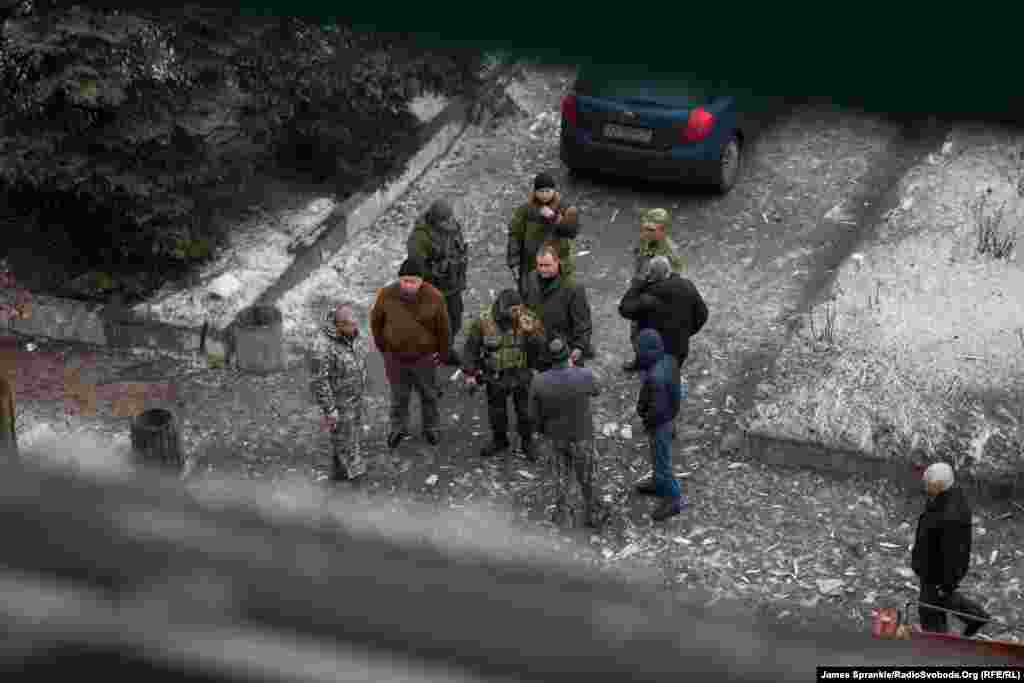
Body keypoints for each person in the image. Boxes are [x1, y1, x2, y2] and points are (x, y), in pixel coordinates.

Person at [370, 257, 451, 449]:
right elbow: (376, 323)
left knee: (428, 395)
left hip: (423, 358)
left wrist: (443, 352)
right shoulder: (386, 295)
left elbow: (444, 329)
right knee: (399, 396)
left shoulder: (435, 297)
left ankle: (431, 427)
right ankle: (398, 428)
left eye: (413, 281)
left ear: (421, 281)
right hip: (395, 358)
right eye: (404, 280)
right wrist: (385, 349)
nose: (408, 285)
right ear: (399, 279)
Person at [462, 289, 547, 459]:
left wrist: (531, 333)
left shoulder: (528, 318)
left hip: (521, 373)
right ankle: (500, 440)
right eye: (513, 310)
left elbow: (541, 346)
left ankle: (527, 441)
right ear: (502, 308)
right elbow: (471, 349)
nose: (518, 313)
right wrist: (470, 373)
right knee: (496, 412)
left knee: (525, 412)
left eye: (519, 308)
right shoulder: (484, 322)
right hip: (495, 376)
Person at [529, 337, 604, 528]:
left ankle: (563, 516)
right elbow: (597, 389)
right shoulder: (584, 375)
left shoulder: (539, 382)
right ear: (568, 355)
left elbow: (533, 415)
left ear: (549, 358)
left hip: (556, 437)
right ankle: (594, 513)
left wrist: (543, 431)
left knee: (561, 478)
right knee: (588, 476)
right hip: (582, 435)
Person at [911, 462, 991, 637]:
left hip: (937, 571)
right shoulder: (945, 496)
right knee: (943, 599)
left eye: (929, 485)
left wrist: (947, 583)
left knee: (929, 609)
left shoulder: (951, 516)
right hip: (933, 565)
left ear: (940, 486)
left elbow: (955, 554)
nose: (925, 488)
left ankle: (937, 647)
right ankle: (975, 617)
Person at [310, 302, 368, 482]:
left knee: (351, 434)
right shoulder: (323, 346)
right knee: (343, 436)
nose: (355, 328)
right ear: (339, 325)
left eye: (355, 324)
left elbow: (358, 356)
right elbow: (319, 381)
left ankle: (344, 468)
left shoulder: (352, 334)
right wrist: (330, 409)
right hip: (339, 401)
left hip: (354, 396)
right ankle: (349, 476)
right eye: (350, 325)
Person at [406, 199, 469, 365]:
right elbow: (415, 268)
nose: (449, 223)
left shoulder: (454, 227)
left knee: (455, 321)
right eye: (444, 220)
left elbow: (460, 249)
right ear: (434, 220)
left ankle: (445, 350)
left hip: (453, 286)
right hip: (433, 290)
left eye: (450, 218)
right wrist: (436, 270)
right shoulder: (419, 237)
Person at [618, 255, 708, 370]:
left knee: (654, 379)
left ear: (651, 274)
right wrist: (686, 333)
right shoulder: (687, 285)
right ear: (669, 271)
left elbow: (624, 309)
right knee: (670, 377)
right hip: (679, 350)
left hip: (654, 350)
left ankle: (642, 362)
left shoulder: (648, 296)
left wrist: (636, 286)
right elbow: (703, 314)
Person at [623, 208, 684, 372]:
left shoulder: (670, 254)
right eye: (644, 228)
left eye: (651, 230)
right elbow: (638, 260)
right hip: (641, 294)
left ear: (663, 231)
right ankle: (640, 360)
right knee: (636, 333)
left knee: (656, 337)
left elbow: (674, 281)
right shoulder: (644, 242)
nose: (645, 233)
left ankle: (655, 367)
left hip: (657, 300)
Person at [635, 329, 686, 522]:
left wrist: (645, 420)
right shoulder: (669, 359)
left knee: (661, 459)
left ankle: (673, 498)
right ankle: (658, 482)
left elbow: (656, 411)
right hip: (669, 416)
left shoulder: (655, 377)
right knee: (659, 457)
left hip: (660, 424)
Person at [507, 172, 580, 296]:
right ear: (535, 192)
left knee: (557, 297)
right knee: (530, 297)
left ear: (554, 190)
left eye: (548, 191)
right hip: (530, 265)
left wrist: (554, 218)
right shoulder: (526, 210)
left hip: (558, 265)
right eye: (541, 191)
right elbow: (515, 235)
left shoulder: (565, 208)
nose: (545, 195)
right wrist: (514, 261)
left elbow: (572, 232)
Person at [521, 245, 592, 371]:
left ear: (557, 262)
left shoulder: (573, 289)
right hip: (537, 348)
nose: (542, 269)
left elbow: (583, 323)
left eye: (547, 265)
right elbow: (526, 306)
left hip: (562, 352)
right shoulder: (531, 278)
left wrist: (579, 348)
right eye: (540, 265)